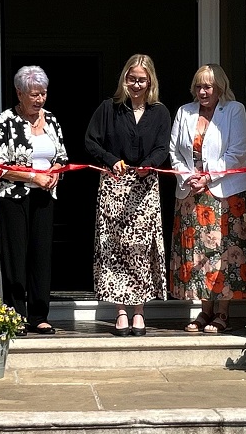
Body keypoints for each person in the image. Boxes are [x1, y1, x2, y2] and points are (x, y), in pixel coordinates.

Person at [84, 54, 171, 336]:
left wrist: (150, 165)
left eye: (141, 80)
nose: (136, 84)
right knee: (116, 249)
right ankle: (120, 310)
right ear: (124, 79)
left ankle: (139, 312)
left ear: (150, 82)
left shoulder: (160, 112)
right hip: (114, 184)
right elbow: (90, 141)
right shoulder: (109, 108)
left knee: (141, 250)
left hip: (145, 188)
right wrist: (111, 159)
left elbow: (163, 147)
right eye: (131, 79)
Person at [169, 63, 246, 333]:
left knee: (223, 253)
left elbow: (238, 151)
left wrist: (208, 177)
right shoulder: (184, 112)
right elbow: (174, 152)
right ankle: (204, 311)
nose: (202, 91)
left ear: (220, 88)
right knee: (198, 255)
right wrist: (188, 177)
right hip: (191, 194)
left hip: (225, 195)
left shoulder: (234, 111)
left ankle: (223, 313)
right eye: (199, 86)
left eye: (208, 86)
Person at [0, 65, 68, 336]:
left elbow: (62, 156)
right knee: (16, 256)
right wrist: (35, 177)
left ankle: (38, 315)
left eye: (43, 94)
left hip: (45, 196)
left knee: (41, 255)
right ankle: (15, 315)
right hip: (14, 196)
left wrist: (55, 171)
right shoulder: (5, 121)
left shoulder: (53, 120)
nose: (39, 99)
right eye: (34, 94)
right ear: (20, 93)